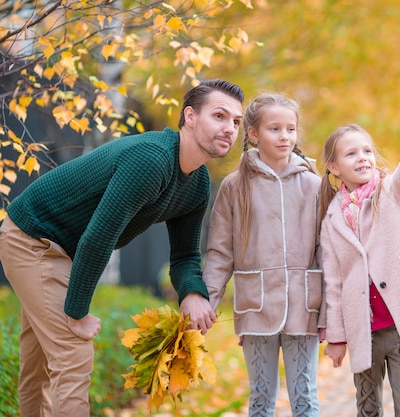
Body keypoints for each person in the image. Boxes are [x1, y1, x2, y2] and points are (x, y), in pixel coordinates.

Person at [0, 79, 244, 416]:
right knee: (72, 353)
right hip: (32, 239)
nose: (229, 128)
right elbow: (99, 237)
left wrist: (193, 292)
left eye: (236, 121)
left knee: (38, 361)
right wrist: (77, 312)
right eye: (219, 115)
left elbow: (185, 255)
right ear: (190, 116)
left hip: (62, 250)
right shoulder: (152, 160)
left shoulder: (198, 183)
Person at [202, 92, 323, 417]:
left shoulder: (314, 185)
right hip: (255, 309)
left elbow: (328, 252)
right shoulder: (234, 185)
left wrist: (334, 313)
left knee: (305, 398)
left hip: (304, 307)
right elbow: (219, 252)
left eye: (290, 129)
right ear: (253, 133)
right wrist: (207, 302)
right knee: (260, 400)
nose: (284, 136)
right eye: (275, 129)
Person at [319, 117, 400, 417]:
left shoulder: (393, 193)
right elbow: (334, 284)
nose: (362, 157)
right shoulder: (332, 221)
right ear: (334, 167)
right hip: (363, 330)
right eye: (351, 153)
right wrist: (337, 337)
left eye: (366, 151)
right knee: (367, 406)